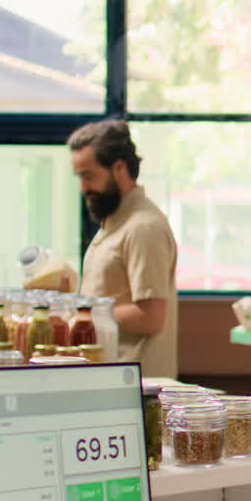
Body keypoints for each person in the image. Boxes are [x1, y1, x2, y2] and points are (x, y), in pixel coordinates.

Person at [70, 120, 179, 379]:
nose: (83, 188)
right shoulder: (116, 221)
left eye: (88, 176)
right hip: (112, 375)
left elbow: (150, 317)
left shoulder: (143, 228)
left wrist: (80, 314)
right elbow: (111, 292)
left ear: (119, 168)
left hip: (136, 385)